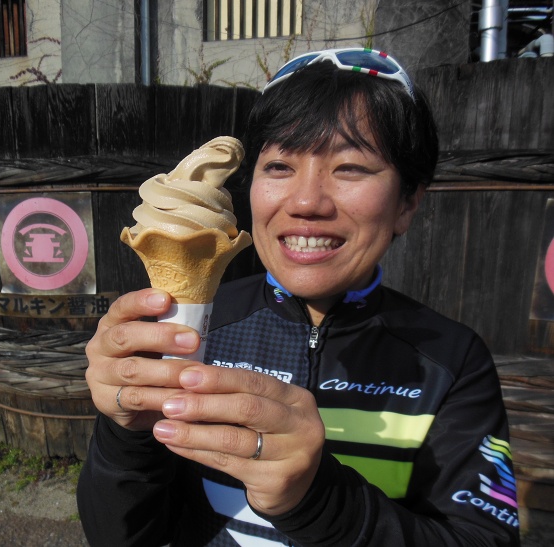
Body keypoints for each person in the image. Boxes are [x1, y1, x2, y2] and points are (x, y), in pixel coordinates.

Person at [77, 49, 520, 546]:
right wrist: (124, 434)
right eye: (281, 166)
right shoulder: (191, 330)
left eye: (350, 167)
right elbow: (117, 535)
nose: (306, 202)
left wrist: (320, 501)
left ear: (408, 202)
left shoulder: (453, 362)